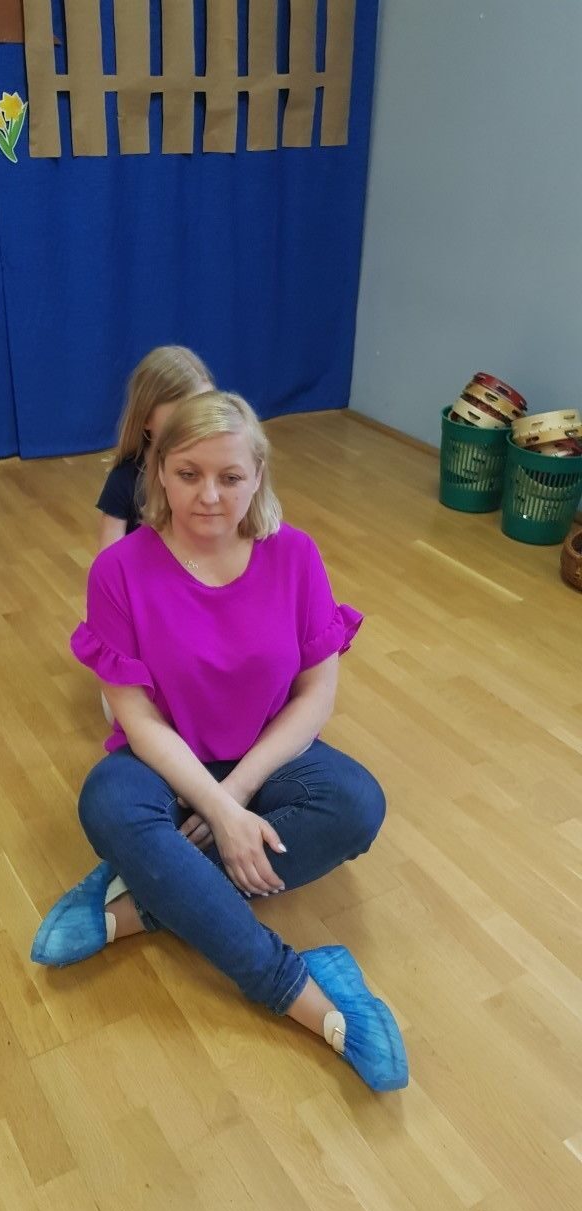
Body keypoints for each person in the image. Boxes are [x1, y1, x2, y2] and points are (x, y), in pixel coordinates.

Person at [32, 390, 408, 1092]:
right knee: (106, 803)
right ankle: (302, 991)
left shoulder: (295, 555)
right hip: (161, 761)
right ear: (159, 474)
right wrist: (213, 806)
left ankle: (138, 907)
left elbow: (315, 696)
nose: (209, 496)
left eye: (230, 477)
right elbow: (137, 719)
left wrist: (231, 800)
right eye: (188, 474)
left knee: (357, 804)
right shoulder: (118, 571)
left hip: (261, 758)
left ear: (257, 476)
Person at [96, 345, 214, 552]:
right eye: (180, 417)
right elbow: (107, 560)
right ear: (146, 419)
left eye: (202, 415)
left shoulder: (215, 471)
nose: (193, 427)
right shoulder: (125, 479)